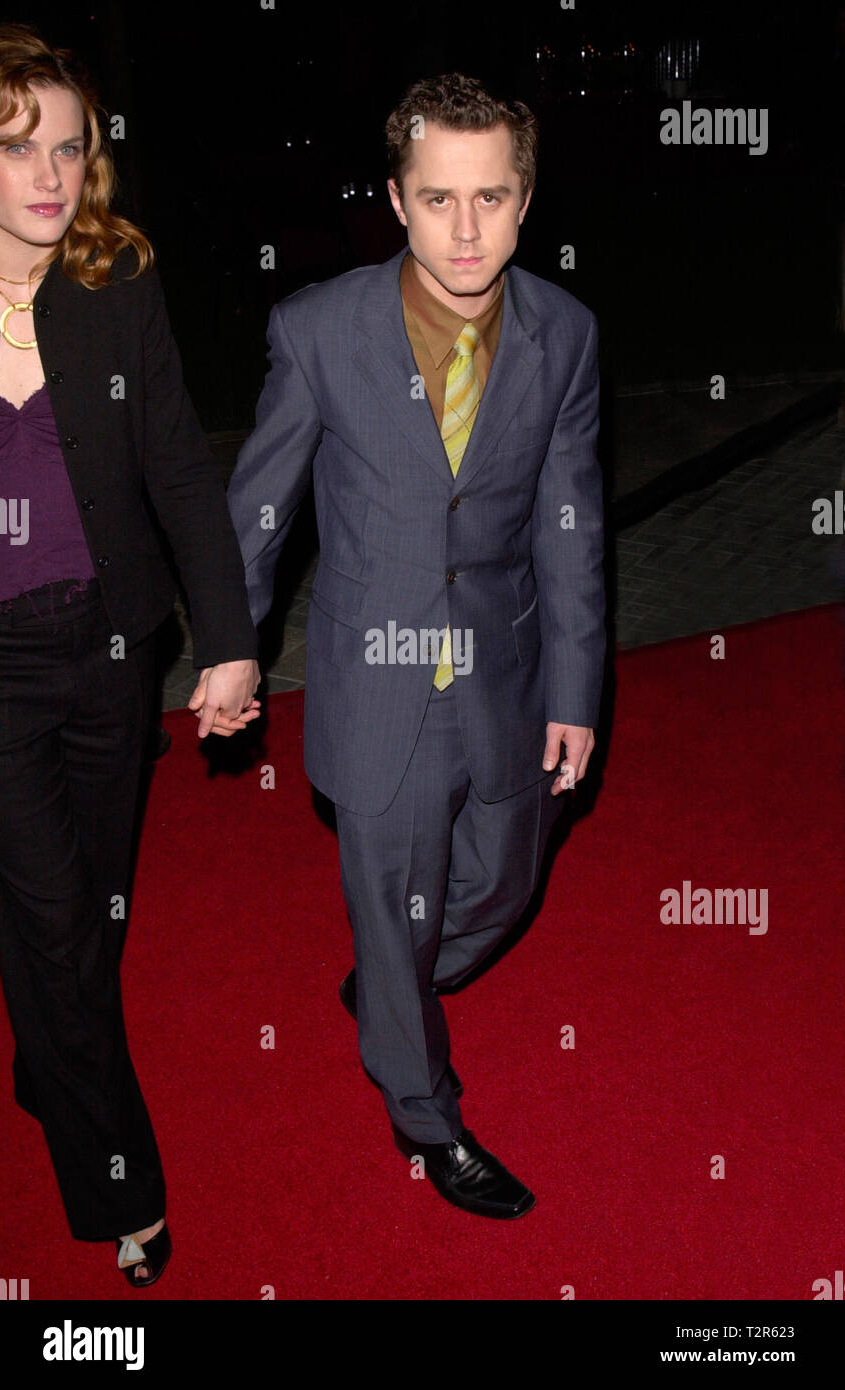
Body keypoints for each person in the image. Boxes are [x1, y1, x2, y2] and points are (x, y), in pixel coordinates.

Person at [228, 72, 605, 1219]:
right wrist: (231, 646)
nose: (466, 230)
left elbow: (570, 524)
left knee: (500, 883)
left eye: (491, 197)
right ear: (395, 198)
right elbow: (260, 507)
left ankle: (394, 981)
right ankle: (424, 1113)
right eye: (438, 198)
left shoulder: (565, 335)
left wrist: (579, 690)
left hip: (504, 667)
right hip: (373, 678)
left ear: (526, 198)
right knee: (397, 896)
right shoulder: (318, 329)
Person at [0, 23, 261, 1284]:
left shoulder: (114, 282)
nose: (53, 174)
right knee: (52, 926)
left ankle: (48, 1055)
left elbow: (176, 468)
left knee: (87, 915)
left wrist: (228, 640)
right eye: (18, 149)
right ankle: (124, 1189)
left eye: (71, 146)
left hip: (110, 650)